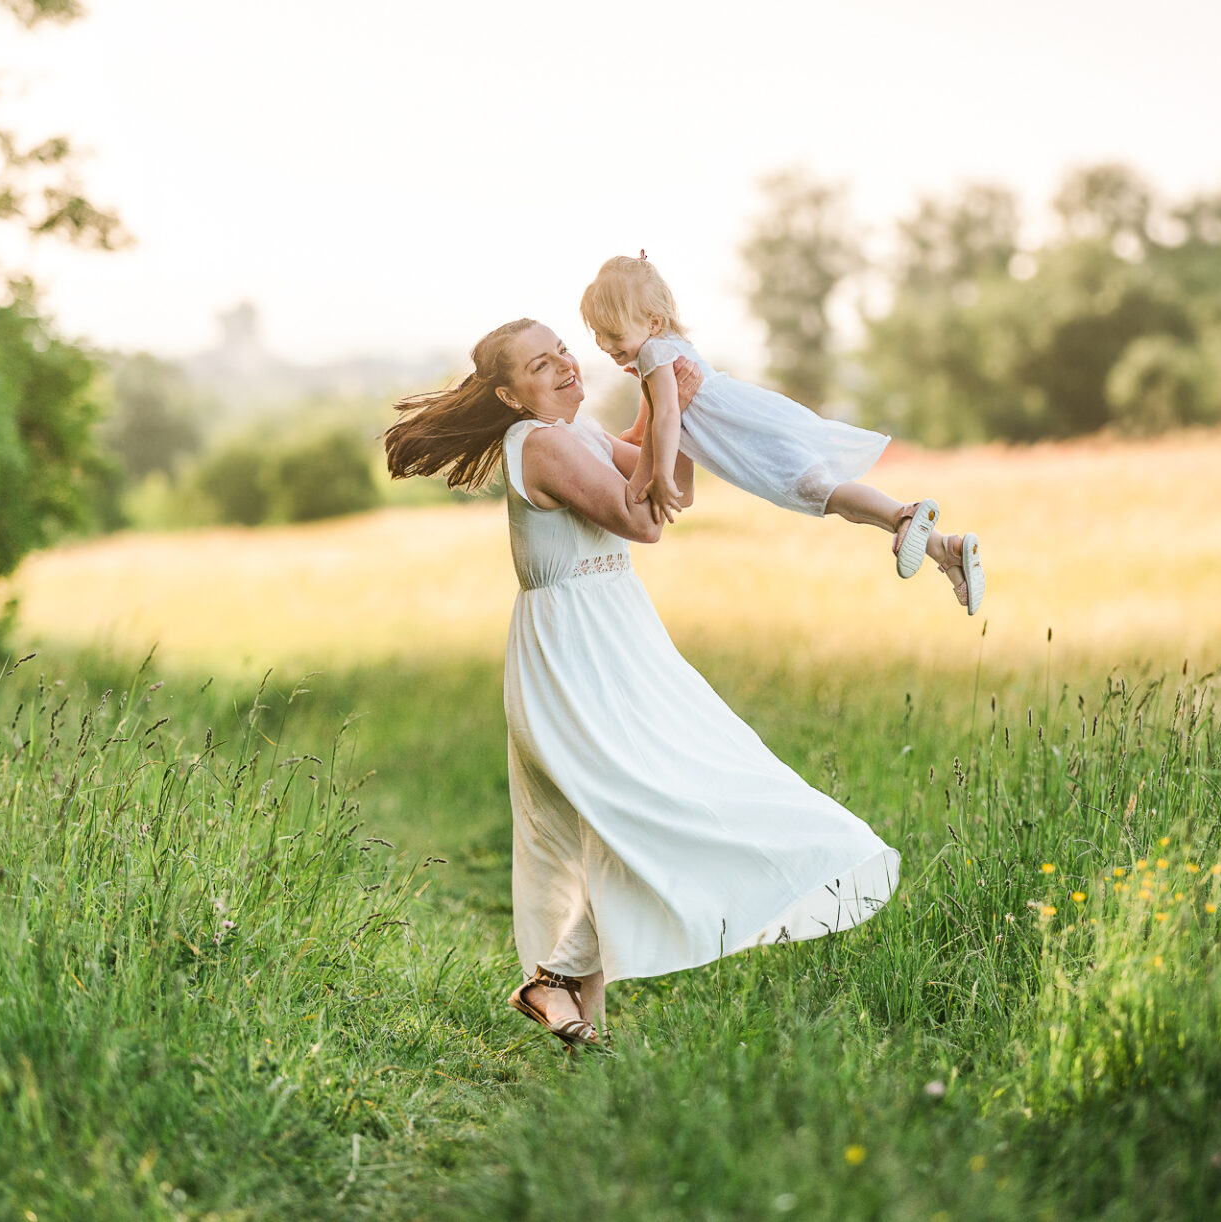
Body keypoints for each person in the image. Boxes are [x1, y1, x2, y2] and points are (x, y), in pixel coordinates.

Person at [384, 318, 902, 1050]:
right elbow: (643, 519)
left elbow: (669, 486)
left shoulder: (579, 433)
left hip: (617, 641)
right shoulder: (543, 443)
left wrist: (670, 407)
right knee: (643, 810)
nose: (565, 364)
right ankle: (554, 981)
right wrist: (664, 403)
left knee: (607, 827)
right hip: (577, 652)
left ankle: (572, 1020)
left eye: (562, 349)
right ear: (509, 393)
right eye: (542, 363)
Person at [582, 252, 986, 615]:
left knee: (823, 493)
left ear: (651, 322)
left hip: (745, 439)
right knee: (829, 497)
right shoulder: (667, 346)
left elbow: (668, 415)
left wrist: (661, 477)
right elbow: (648, 422)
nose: (603, 344)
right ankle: (946, 550)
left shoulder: (653, 354)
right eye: (597, 334)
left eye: (613, 334)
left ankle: (904, 513)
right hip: (752, 421)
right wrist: (626, 440)